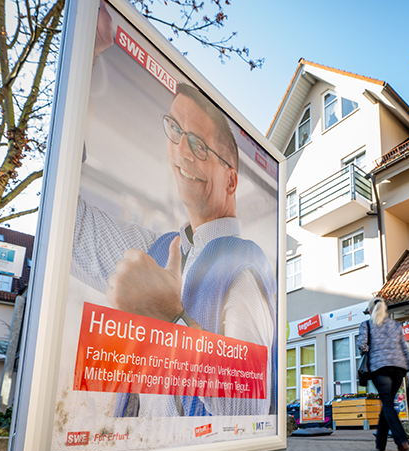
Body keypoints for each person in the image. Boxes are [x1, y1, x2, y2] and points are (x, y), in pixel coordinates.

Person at [72, 5, 275, 417]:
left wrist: (172, 321)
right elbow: (71, 231)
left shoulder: (244, 267)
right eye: (176, 132)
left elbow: (246, 411)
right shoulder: (160, 247)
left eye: (199, 145)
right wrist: (87, 60)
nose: (182, 151)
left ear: (231, 180)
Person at [357, 296, 409, 451]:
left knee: (387, 403)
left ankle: (402, 441)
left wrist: (369, 347)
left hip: (380, 369)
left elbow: (362, 346)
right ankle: (380, 442)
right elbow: (405, 350)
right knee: (387, 404)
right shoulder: (395, 325)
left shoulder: (367, 325)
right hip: (399, 369)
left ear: (370, 311)